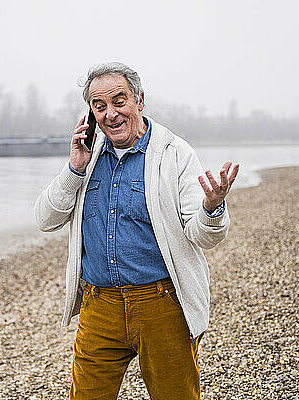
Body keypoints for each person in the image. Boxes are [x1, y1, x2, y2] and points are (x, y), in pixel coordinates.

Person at [35, 62, 239, 400]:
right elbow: (45, 219)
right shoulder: (87, 157)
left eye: (119, 101)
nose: (110, 114)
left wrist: (211, 208)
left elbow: (204, 236)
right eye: (99, 106)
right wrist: (74, 168)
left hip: (162, 305)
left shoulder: (175, 154)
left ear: (140, 100)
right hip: (99, 306)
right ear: (90, 113)